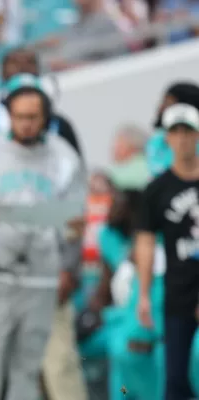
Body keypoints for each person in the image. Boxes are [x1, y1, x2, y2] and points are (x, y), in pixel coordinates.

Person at [0, 84, 86, 400]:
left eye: (33, 117)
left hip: (41, 278)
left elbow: (75, 224)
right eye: (19, 116)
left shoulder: (65, 157)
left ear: (46, 118)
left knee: (27, 372)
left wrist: (71, 259)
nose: (26, 123)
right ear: (8, 116)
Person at [135, 103, 199, 400]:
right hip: (178, 292)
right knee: (175, 379)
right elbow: (146, 243)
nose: (183, 138)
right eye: (176, 132)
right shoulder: (157, 190)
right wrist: (144, 294)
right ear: (168, 139)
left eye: (189, 131)